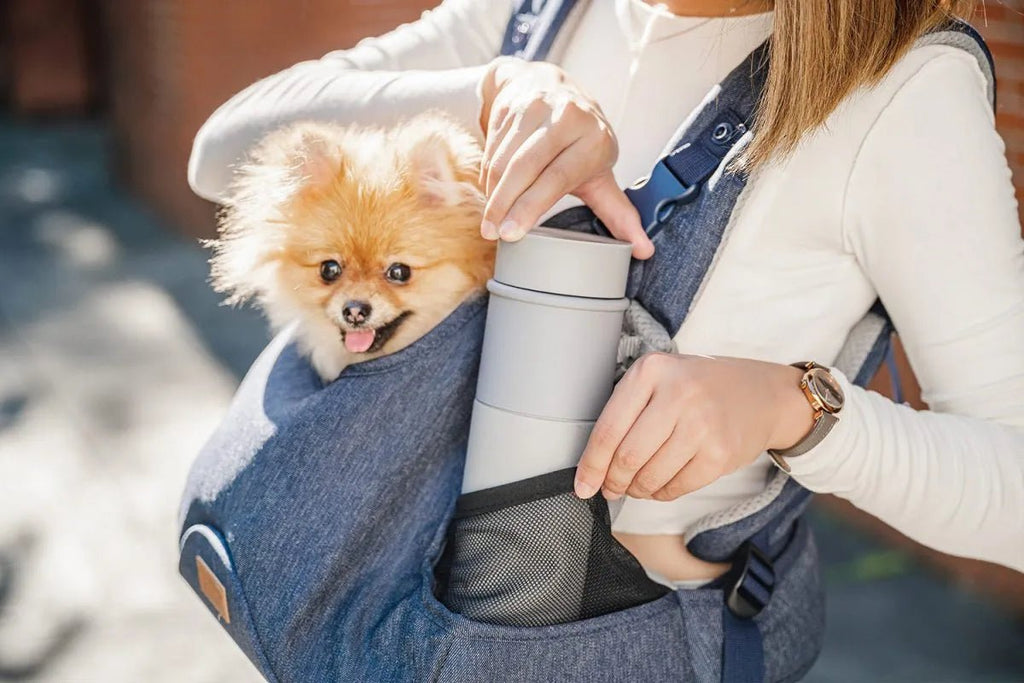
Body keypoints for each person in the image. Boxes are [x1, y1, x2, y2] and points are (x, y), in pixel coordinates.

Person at [188, 0, 1024, 593]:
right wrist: (490, 90)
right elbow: (219, 154)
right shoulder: (543, 11)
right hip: (382, 599)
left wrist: (792, 406)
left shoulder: (906, 91)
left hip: (604, 634)